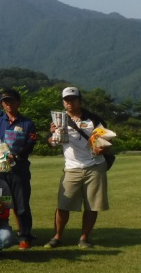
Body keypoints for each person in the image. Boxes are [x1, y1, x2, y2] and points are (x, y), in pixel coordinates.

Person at [45, 87, 111, 249]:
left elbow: (106, 140)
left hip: (95, 165)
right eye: (66, 100)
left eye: (73, 99)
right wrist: (52, 134)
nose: (69, 102)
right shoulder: (59, 119)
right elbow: (53, 144)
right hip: (71, 167)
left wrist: (101, 148)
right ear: (63, 102)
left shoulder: (93, 119)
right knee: (63, 204)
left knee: (92, 205)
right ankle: (57, 236)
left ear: (79, 101)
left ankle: (84, 238)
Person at [0, 89, 37, 250]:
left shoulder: (27, 123)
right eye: (6, 102)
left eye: (12, 101)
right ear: (2, 104)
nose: (9, 104)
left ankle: (24, 236)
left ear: (18, 103)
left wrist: (15, 156)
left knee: (21, 206)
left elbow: (29, 146)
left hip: (19, 171)